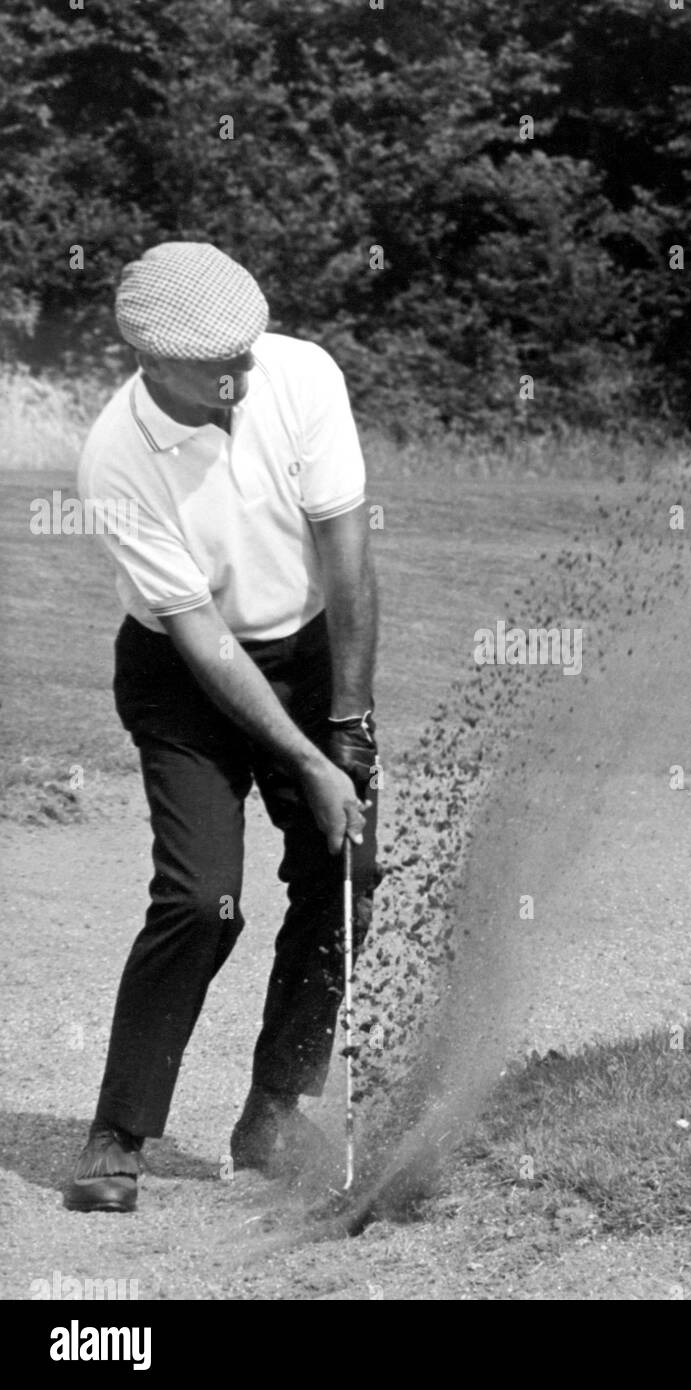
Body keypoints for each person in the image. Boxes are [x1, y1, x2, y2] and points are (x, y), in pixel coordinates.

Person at [64, 242, 381, 1213]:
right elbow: (201, 643)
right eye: (219, 361)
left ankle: (276, 1109)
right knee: (204, 900)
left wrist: (350, 726)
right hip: (185, 679)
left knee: (346, 872)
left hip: (310, 654)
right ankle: (119, 1132)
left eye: (248, 344)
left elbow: (349, 558)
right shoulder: (116, 457)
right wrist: (301, 758)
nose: (245, 369)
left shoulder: (302, 374)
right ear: (152, 361)